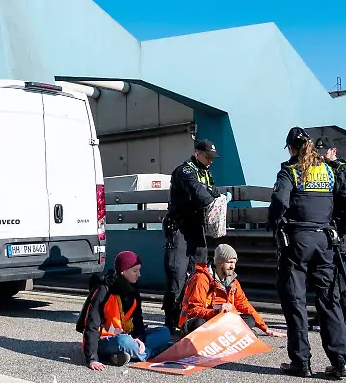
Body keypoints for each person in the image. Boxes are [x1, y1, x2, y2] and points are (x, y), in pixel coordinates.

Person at [267, 127, 346, 379]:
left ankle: (301, 362)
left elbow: (279, 201)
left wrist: (274, 224)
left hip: (297, 241)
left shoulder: (290, 171)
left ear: (291, 148)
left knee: (295, 302)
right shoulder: (329, 170)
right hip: (326, 241)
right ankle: (340, 362)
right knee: (329, 300)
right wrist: (339, 227)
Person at [162, 139, 223, 332]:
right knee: (177, 275)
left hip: (197, 229)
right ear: (197, 153)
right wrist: (211, 202)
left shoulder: (206, 173)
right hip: (179, 229)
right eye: (207, 157)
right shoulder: (184, 171)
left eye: (212, 157)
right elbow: (197, 191)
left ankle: (193, 315)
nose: (210, 161)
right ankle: (172, 320)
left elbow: (213, 191)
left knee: (200, 273)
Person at [82, 251, 171, 370]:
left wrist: (140, 339)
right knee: (124, 341)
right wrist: (92, 359)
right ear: (123, 271)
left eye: (139, 270)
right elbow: (91, 325)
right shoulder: (104, 291)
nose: (138, 274)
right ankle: (151, 353)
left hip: (130, 335)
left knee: (164, 332)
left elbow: (138, 320)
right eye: (135, 271)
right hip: (104, 340)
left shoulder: (133, 289)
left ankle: (128, 353)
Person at [178, 243, 285, 338]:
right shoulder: (201, 279)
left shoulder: (233, 282)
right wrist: (217, 312)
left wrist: (265, 328)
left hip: (219, 322)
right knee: (198, 323)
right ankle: (230, 335)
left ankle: (221, 335)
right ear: (219, 263)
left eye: (234, 262)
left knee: (250, 320)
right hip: (202, 320)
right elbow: (193, 311)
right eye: (229, 262)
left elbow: (245, 306)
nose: (232, 266)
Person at [311, 137, 346, 333]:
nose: (321, 155)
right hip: (323, 228)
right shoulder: (320, 170)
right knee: (322, 273)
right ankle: (324, 313)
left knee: (342, 272)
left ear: (333, 150)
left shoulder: (343, 170)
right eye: (318, 151)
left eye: (324, 151)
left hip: (339, 231)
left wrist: (345, 228)